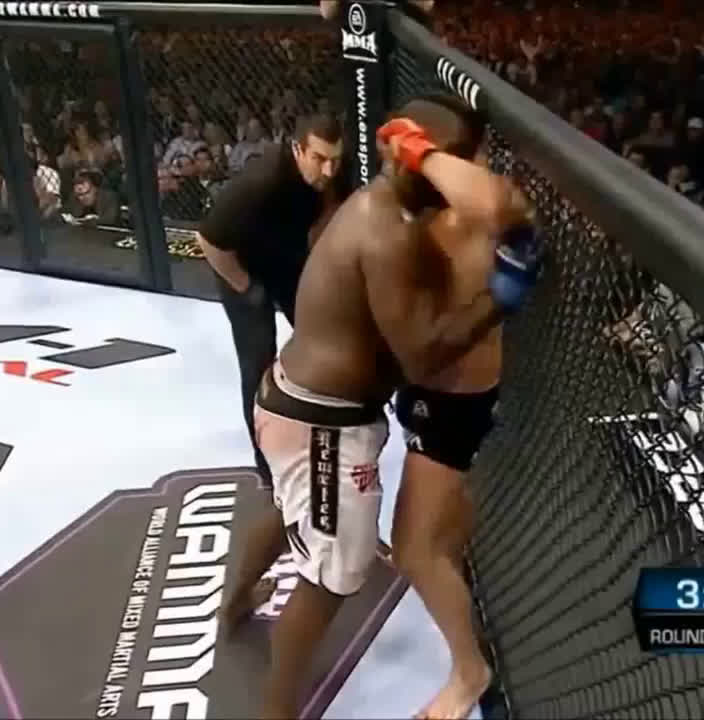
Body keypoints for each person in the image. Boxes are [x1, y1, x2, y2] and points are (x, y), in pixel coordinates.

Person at [218, 95, 543, 719]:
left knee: (294, 514)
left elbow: (496, 202)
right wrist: (501, 298)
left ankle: (234, 604)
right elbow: (420, 357)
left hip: (305, 406)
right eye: (454, 163)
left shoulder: (384, 207)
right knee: (332, 576)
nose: (466, 177)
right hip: (320, 422)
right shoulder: (385, 226)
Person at [390, 178, 505, 719]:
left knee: (412, 550)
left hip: (449, 398)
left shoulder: (457, 227)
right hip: (454, 394)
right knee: (450, 508)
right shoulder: (477, 218)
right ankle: (454, 581)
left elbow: (423, 338)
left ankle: (469, 671)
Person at [196, 114, 346, 488]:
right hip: (242, 265)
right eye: (319, 159)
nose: (328, 170)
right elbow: (209, 241)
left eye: (335, 160)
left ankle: (328, 422)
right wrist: (246, 287)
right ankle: (266, 462)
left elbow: (334, 206)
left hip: (286, 257)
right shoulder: (261, 180)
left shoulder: (333, 171)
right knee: (258, 360)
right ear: (297, 150)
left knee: (323, 334)